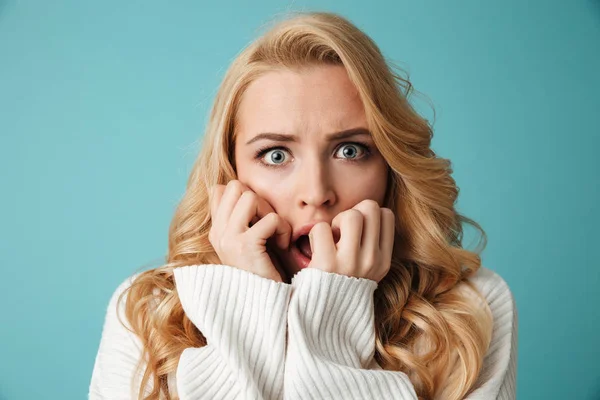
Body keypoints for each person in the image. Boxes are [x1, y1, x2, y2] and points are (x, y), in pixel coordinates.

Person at [89, 10, 517, 400]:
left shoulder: (470, 310)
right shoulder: (146, 311)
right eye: (276, 155)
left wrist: (335, 312)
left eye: (351, 150)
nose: (316, 193)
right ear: (231, 172)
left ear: (390, 165)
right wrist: (247, 303)